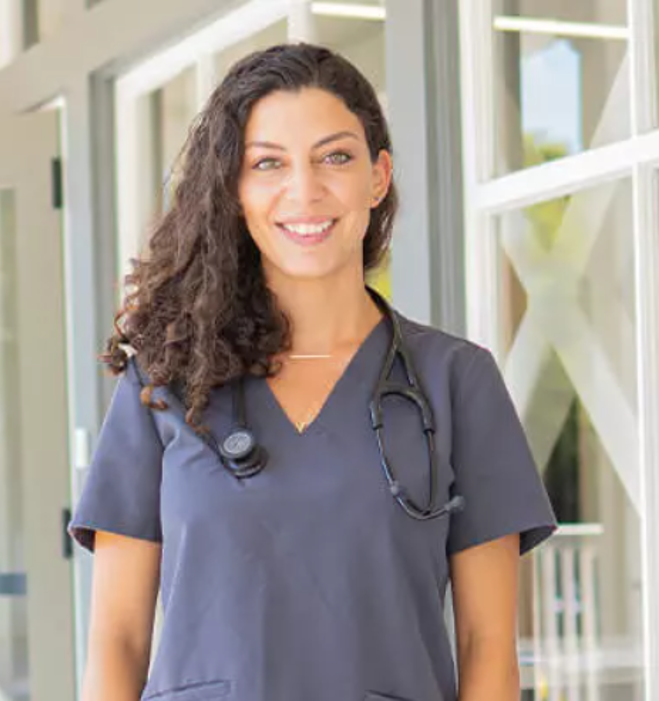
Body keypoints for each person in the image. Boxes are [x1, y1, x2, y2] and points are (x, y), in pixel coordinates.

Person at [68, 42, 557, 701]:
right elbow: (117, 642)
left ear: (378, 177)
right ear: (235, 191)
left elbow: (488, 649)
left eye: (335, 157)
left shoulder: (456, 381)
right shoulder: (165, 383)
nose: (305, 190)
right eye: (268, 163)